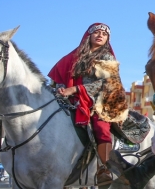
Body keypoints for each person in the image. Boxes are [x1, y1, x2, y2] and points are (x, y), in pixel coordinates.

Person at [48, 23, 128, 187]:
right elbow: (59, 77)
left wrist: (75, 89)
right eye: (97, 32)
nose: (100, 36)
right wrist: (61, 87)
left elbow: (107, 83)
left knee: (101, 128)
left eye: (104, 34)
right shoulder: (74, 56)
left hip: (99, 102)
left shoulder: (107, 58)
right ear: (88, 36)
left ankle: (105, 169)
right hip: (72, 101)